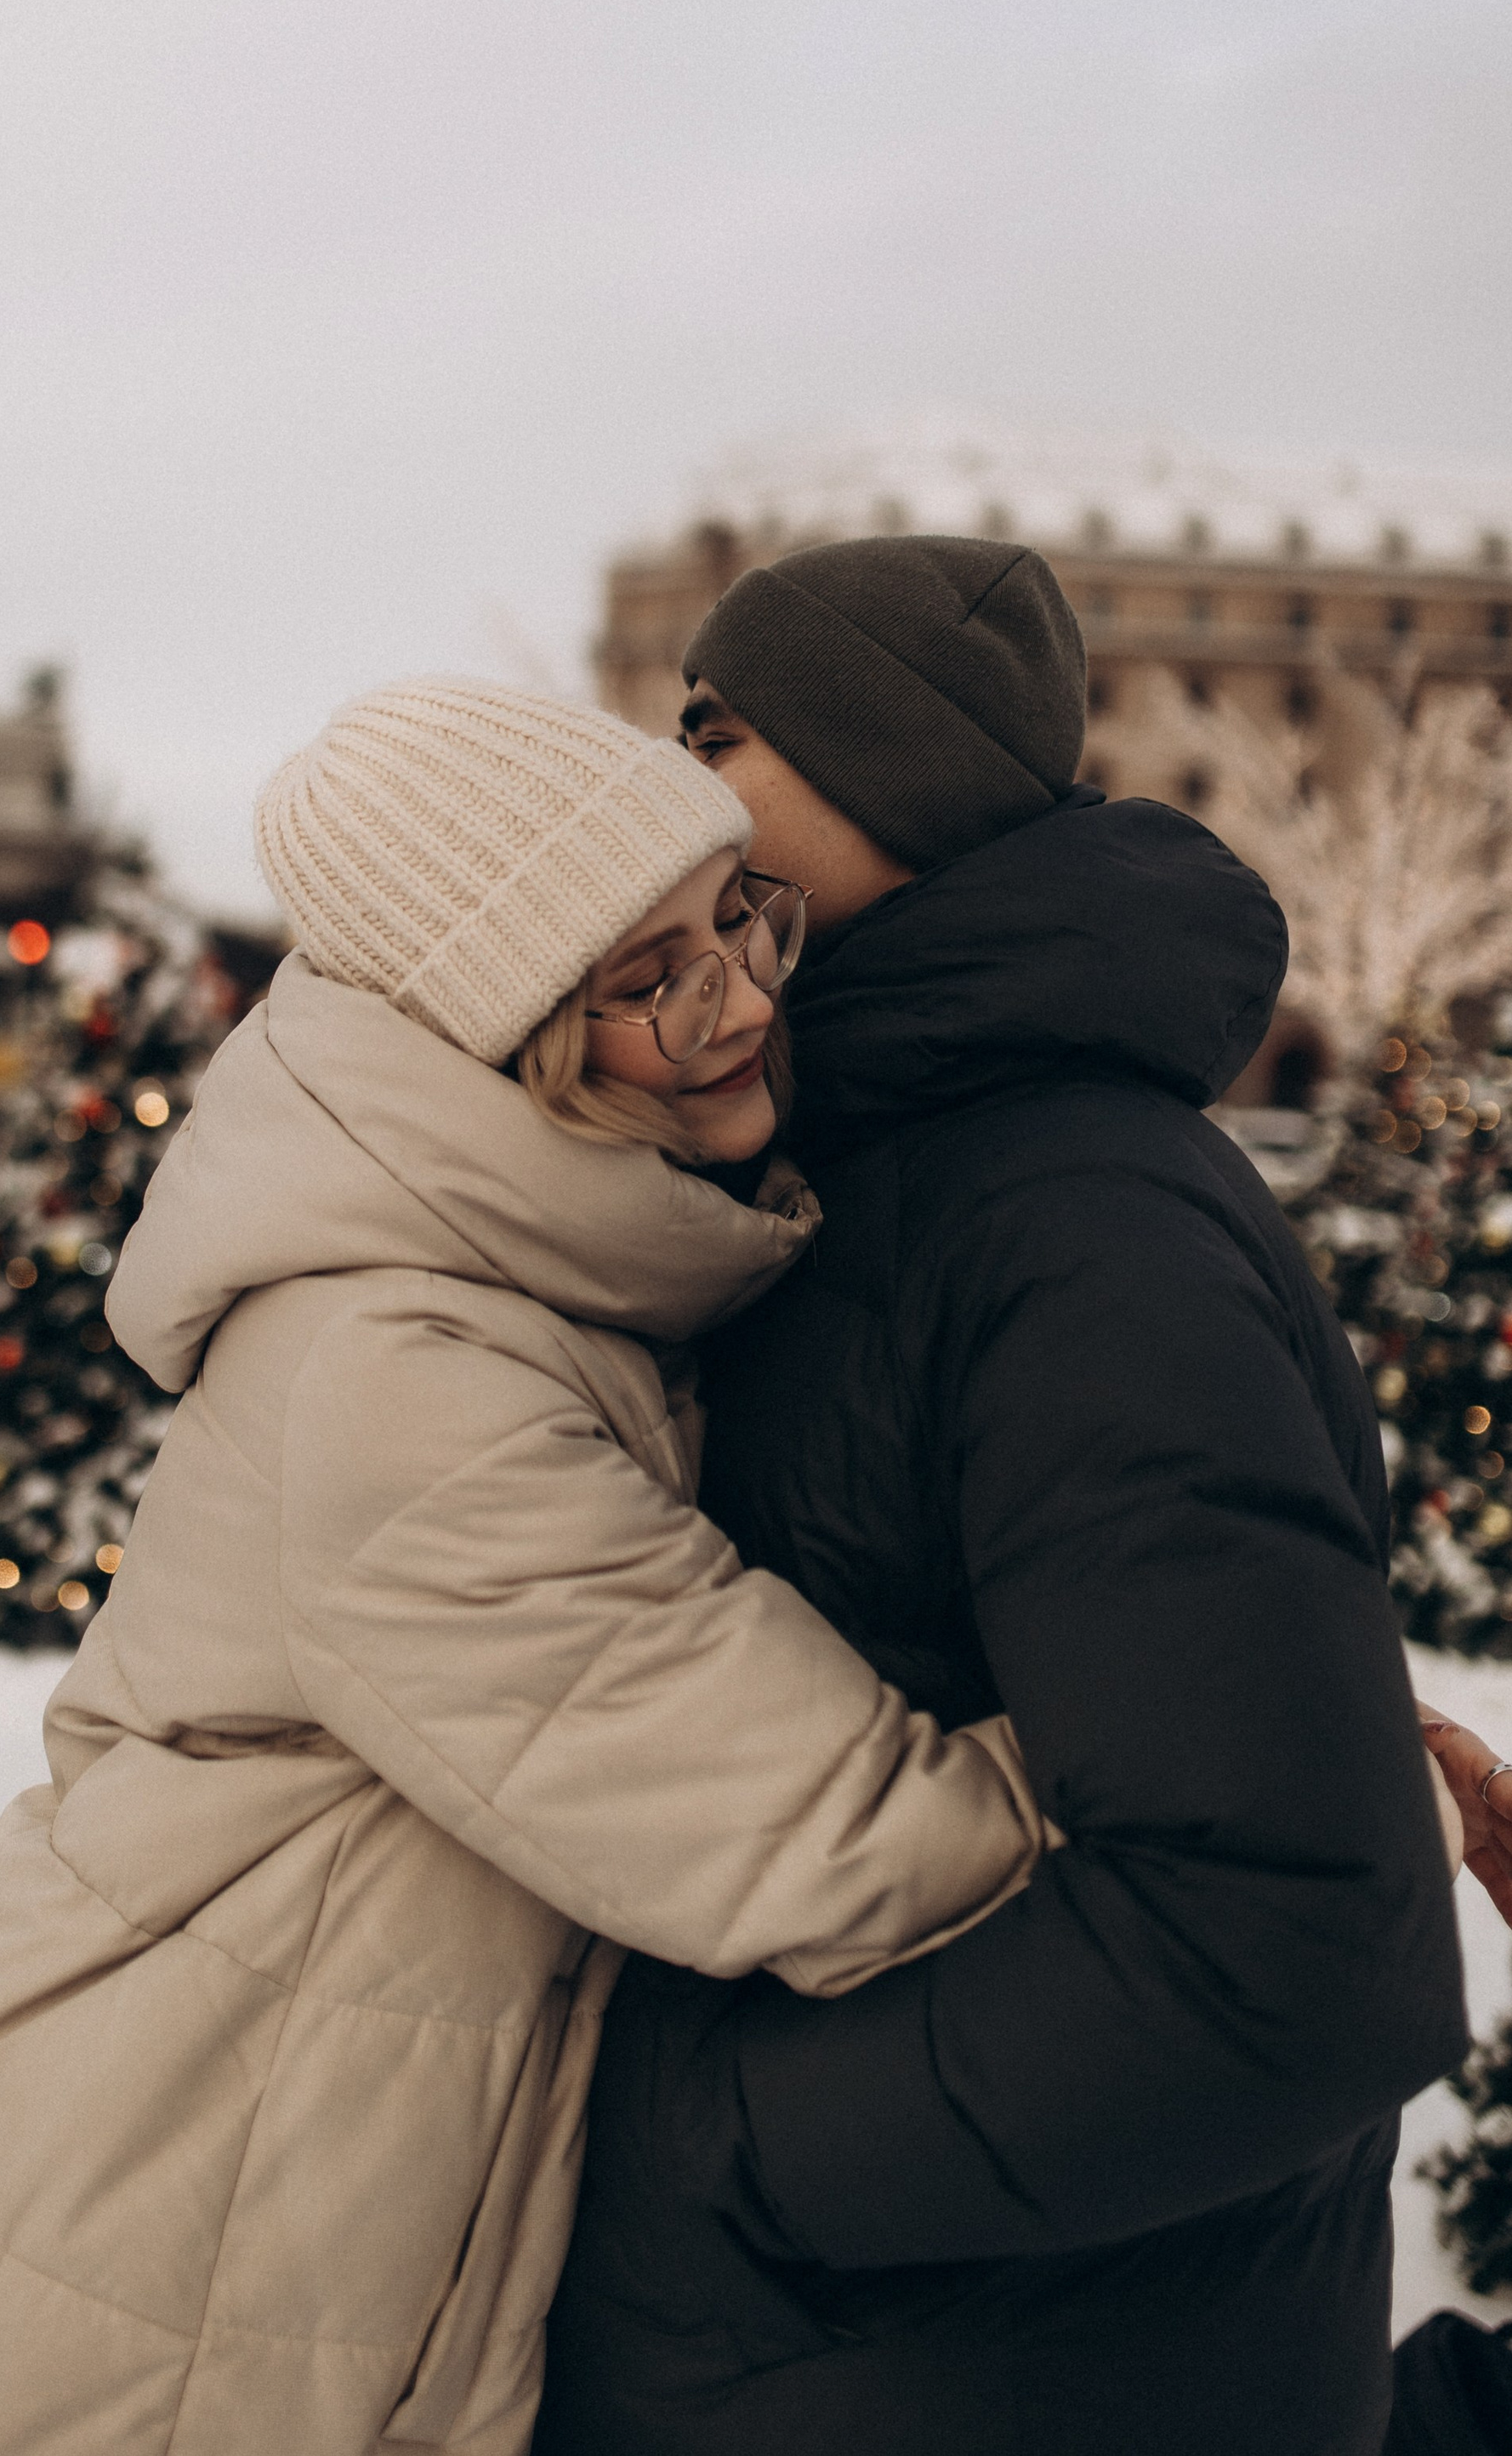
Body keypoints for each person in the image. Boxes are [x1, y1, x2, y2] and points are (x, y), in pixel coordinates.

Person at [0, 679, 1052, 2456]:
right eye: (646, 977)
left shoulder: (528, 1279)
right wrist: (1262, 1786)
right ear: (500, 1037)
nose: (742, 995)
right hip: (147, 2277)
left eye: (736, 918)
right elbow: (834, 1839)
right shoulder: (405, 1378)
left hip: (235, 2203)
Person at [536, 532, 1472, 2456]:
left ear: (894, 774)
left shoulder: (1066, 1222)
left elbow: (1281, 1954)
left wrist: (698, 2149)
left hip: (987, 2366)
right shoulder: (879, 1172)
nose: (662, 783)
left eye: (712, 732)